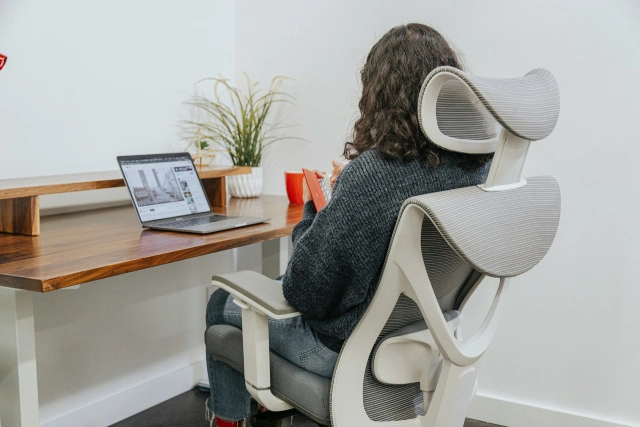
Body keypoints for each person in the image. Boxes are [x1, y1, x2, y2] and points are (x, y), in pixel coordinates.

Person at [205, 23, 492, 427]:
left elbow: (304, 291)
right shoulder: (476, 169)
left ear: (379, 94)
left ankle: (232, 418)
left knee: (220, 304)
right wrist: (348, 194)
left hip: (346, 352)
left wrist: (319, 203)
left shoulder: (375, 174)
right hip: (424, 343)